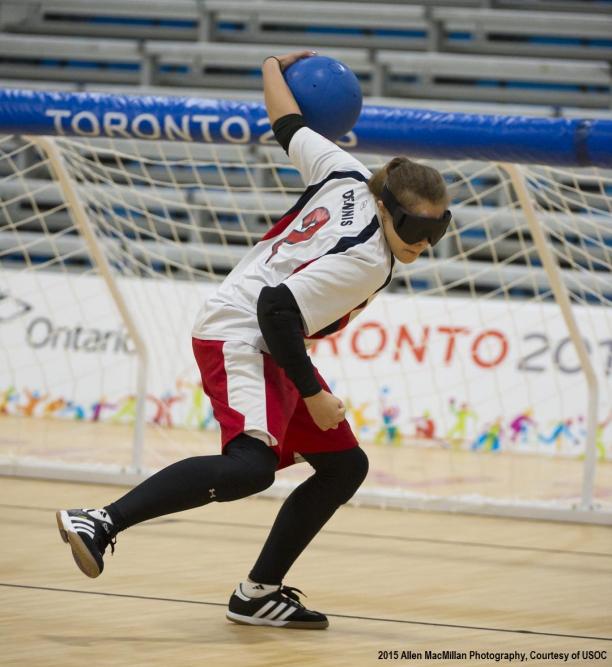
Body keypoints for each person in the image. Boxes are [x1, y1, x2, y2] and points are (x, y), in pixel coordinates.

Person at [56, 50, 451, 630]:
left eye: (438, 230)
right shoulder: (367, 260)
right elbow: (275, 310)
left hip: (264, 333)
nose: (424, 243)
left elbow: (288, 124)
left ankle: (258, 593)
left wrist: (271, 65)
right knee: (250, 468)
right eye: (416, 229)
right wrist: (313, 393)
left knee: (343, 466)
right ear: (387, 207)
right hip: (241, 332)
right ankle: (101, 520)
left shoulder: (344, 172)